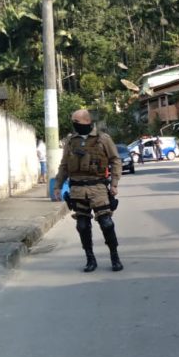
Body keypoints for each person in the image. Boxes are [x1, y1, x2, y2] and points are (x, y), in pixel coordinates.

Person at [53, 109, 124, 272]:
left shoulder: (103, 139)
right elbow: (64, 166)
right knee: (82, 226)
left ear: (86, 121)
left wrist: (114, 183)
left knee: (106, 223)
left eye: (76, 122)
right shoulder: (71, 141)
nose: (73, 124)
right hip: (77, 189)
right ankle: (90, 259)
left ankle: (115, 257)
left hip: (98, 187)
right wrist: (57, 185)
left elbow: (115, 160)